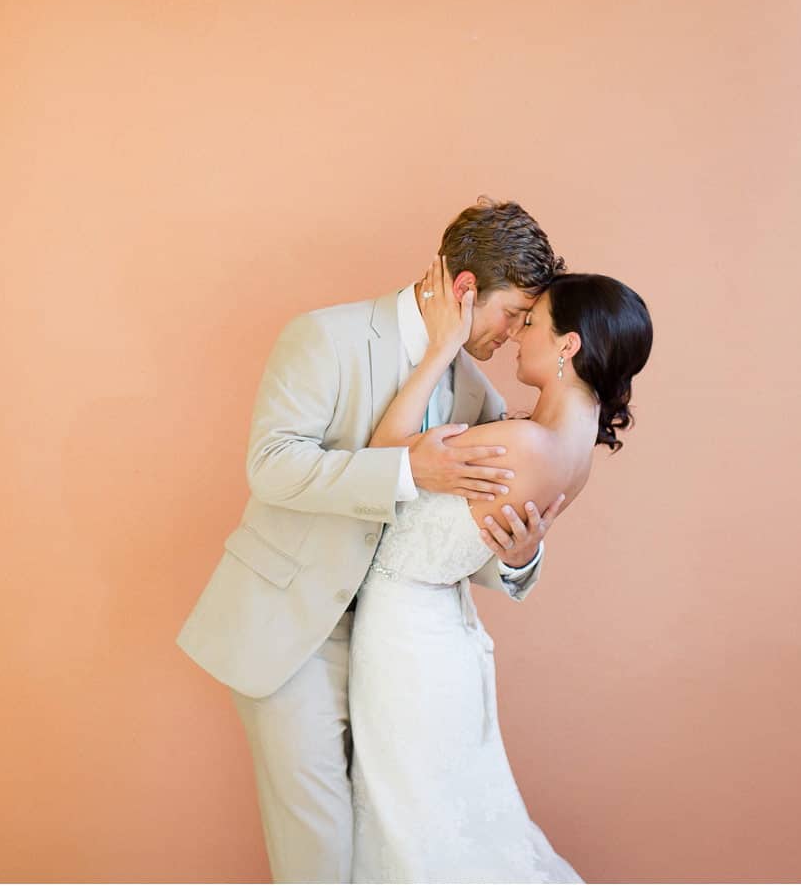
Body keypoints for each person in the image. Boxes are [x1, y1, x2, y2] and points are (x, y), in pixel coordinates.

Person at [176, 197, 567, 882]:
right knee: (321, 861)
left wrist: (518, 555)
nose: (515, 333)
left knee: (379, 855)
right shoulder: (324, 336)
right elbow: (271, 466)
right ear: (467, 289)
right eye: (513, 313)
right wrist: (405, 467)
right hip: (296, 636)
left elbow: (448, 536)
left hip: (403, 661)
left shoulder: (476, 393)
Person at [349, 267, 650, 881]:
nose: (518, 336)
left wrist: (440, 350)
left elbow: (381, 461)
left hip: (405, 639)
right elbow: (485, 542)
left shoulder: (523, 443)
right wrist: (517, 559)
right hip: (442, 636)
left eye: (533, 323)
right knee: (435, 814)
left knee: (410, 824)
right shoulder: (570, 452)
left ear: (569, 345)